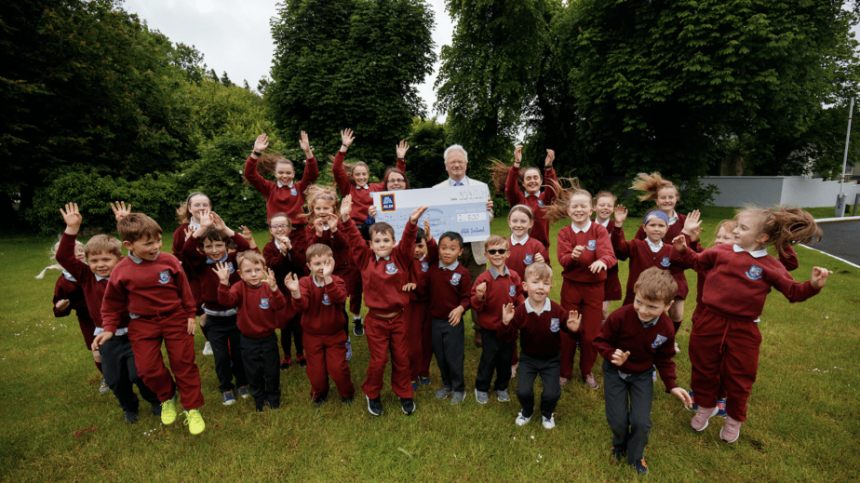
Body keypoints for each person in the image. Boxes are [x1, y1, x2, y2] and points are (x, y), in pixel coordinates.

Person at [673, 207, 831, 443]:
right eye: (737, 226)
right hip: (709, 322)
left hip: (743, 329)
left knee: (740, 375)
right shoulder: (720, 251)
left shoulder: (771, 265)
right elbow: (697, 263)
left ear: (763, 238)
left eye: (742, 228)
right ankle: (706, 406)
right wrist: (684, 250)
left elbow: (793, 292)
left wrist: (813, 286)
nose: (735, 230)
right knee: (703, 367)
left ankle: (734, 419)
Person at [94, 211, 205, 435]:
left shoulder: (169, 260)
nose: (155, 247)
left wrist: (190, 314)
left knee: (184, 364)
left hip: (175, 319)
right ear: (129, 245)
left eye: (158, 241)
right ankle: (167, 397)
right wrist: (108, 329)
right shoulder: (121, 270)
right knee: (146, 370)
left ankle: (192, 409)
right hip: (142, 324)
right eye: (148, 244)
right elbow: (112, 303)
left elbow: (185, 289)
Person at [57, 203, 161, 424]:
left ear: (119, 258)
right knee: (115, 379)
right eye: (94, 261)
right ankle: (129, 407)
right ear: (87, 262)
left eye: (106, 260)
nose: (100, 265)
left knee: (139, 374)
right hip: (107, 336)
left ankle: (155, 400)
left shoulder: (127, 269)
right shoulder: (85, 276)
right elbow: (64, 257)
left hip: (135, 332)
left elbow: (138, 249)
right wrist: (72, 229)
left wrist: (125, 222)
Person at [595, 268, 693, 475]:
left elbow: (664, 358)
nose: (643, 310)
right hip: (615, 372)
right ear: (635, 294)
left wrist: (672, 385)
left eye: (652, 306)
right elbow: (601, 341)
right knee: (618, 420)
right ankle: (619, 444)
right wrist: (613, 354)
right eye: (639, 302)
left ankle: (636, 455)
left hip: (642, 375)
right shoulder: (620, 316)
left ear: (668, 306)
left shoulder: (666, 328)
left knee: (640, 421)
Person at [340, 194, 427, 417]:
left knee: (401, 358)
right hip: (376, 321)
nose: (382, 245)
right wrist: (346, 218)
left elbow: (409, 241)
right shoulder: (364, 259)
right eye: (377, 241)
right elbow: (354, 239)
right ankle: (373, 393)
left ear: (393, 242)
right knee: (379, 361)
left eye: (386, 240)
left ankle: (403, 392)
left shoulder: (400, 258)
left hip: (398, 318)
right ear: (370, 244)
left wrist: (412, 223)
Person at [333, 129, 410, 335]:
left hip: (375, 235)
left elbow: (395, 181)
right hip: (354, 235)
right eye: (357, 175)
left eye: (363, 174)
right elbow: (336, 169)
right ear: (352, 177)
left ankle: (393, 309)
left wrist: (400, 160)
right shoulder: (347, 189)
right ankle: (357, 317)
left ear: (368, 175)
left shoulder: (376, 188)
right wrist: (344, 148)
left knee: (383, 272)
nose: (360, 177)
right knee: (357, 278)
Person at [544, 179, 616, 389]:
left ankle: (587, 371)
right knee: (568, 330)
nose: (578, 210)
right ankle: (564, 371)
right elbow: (562, 260)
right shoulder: (565, 233)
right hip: (572, 287)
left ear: (591, 210)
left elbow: (609, 256)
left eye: (583, 206)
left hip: (594, 289)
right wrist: (573, 256)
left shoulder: (599, 231)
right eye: (574, 206)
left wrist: (602, 261)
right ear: (568, 210)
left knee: (591, 335)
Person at [181, 210, 253, 405]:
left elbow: (245, 246)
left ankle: (242, 383)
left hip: (236, 317)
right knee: (221, 358)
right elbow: (186, 250)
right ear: (202, 248)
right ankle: (226, 388)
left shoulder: (233, 260)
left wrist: (225, 229)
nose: (214, 250)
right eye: (209, 246)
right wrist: (202, 228)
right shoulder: (200, 264)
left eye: (219, 245)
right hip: (214, 321)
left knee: (239, 354)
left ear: (226, 245)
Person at [498, 262, 581, 429]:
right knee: (523, 392)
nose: (540, 287)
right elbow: (505, 338)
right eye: (535, 282)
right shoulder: (520, 312)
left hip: (551, 359)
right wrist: (506, 323)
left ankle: (547, 413)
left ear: (551, 286)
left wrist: (574, 330)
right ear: (525, 285)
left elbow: (573, 333)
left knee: (552, 393)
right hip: (528, 358)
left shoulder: (557, 310)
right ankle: (527, 411)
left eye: (545, 283)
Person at [433, 144, 494, 347]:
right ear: (446, 166)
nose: (457, 165)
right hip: (450, 251)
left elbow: (490, 217)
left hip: (475, 248)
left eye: (460, 161)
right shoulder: (436, 191)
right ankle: (449, 328)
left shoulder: (480, 188)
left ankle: (479, 330)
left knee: (479, 289)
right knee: (449, 290)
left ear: (466, 164)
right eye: (453, 162)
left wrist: (487, 213)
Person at [631, 173, 700, 347]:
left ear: (676, 199)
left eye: (671, 197)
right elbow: (638, 246)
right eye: (663, 197)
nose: (667, 200)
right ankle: (645, 337)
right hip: (653, 271)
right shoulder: (650, 221)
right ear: (657, 200)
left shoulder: (684, 221)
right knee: (650, 308)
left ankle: (669, 339)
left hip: (675, 272)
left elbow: (691, 253)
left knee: (676, 312)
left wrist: (694, 239)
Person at [216, 252, 290, 413]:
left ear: (264, 270)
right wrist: (223, 282)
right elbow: (226, 301)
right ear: (240, 274)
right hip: (248, 340)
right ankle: (259, 400)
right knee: (253, 372)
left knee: (272, 371)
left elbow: (280, 304)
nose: (254, 274)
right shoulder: (239, 288)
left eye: (257, 269)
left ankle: (273, 398)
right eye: (248, 271)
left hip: (268, 338)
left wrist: (274, 288)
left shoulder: (267, 287)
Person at [286, 244, 355, 406]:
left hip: (335, 334)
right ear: (309, 266)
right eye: (317, 264)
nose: (322, 267)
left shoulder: (337, 280)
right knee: (316, 372)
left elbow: (339, 298)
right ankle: (319, 392)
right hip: (312, 336)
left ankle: (346, 392)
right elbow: (301, 306)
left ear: (333, 263)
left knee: (338, 370)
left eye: (326, 263)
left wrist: (328, 279)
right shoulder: (304, 282)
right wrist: (295, 293)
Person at [42, 238, 106, 389]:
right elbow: (57, 310)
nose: (78, 253)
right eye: (73, 251)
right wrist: (61, 307)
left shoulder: (95, 269)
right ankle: (108, 377)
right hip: (87, 319)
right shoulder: (63, 283)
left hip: (107, 314)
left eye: (80, 249)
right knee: (97, 352)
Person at [470, 235, 525, 404]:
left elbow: (520, 295)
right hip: (489, 329)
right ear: (486, 255)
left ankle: (501, 387)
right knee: (489, 358)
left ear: (508, 253)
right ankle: (481, 387)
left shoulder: (514, 276)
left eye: (501, 251)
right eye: (492, 251)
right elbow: (475, 305)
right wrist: (479, 296)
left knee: (505, 359)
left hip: (508, 327)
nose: (497, 254)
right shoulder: (483, 279)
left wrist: (522, 307)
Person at [244, 132, 319, 254]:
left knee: (300, 266)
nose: (285, 176)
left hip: (297, 234)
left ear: (293, 174)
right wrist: (256, 153)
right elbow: (250, 174)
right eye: (281, 173)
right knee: (278, 265)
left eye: (288, 173)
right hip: (277, 233)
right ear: (275, 174)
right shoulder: (269, 188)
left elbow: (312, 174)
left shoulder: (300, 188)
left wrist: (308, 152)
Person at [611, 208, 701, 308]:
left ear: (667, 229)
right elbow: (618, 248)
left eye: (661, 226)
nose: (656, 229)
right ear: (644, 228)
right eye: (652, 225)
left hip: (658, 298)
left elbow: (687, 262)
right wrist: (618, 225)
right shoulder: (636, 245)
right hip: (634, 295)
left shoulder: (671, 250)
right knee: (628, 320)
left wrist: (688, 236)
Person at [425, 231, 472, 405]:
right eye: (443, 248)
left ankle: (459, 388)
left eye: (452, 248)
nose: (447, 252)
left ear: (460, 252)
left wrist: (461, 308)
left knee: (454, 356)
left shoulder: (463, 273)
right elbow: (425, 291)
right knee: (441, 355)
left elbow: (467, 298)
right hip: (436, 322)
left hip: (453, 323)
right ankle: (447, 385)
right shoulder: (432, 270)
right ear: (438, 250)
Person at [261, 213, 306, 369]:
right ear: (271, 230)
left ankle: (300, 352)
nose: (280, 229)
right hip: (280, 290)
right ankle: (287, 355)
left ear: (289, 228)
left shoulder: (298, 244)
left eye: (283, 225)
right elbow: (273, 265)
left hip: (297, 289)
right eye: (276, 226)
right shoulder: (268, 248)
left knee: (299, 325)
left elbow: (300, 263)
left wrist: (291, 250)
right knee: (285, 325)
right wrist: (282, 253)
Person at [489, 145, 557, 248]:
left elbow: (553, 189)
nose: (532, 181)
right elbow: (510, 188)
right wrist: (516, 164)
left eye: (535, 178)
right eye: (528, 178)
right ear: (523, 183)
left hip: (541, 251)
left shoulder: (545, 199)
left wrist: (548, 168)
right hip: (520, 247)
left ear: (541, 181)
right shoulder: (519, 199)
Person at [172, 192, 212, 355]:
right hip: (193, 276)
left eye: (205, 205)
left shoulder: (216, 225)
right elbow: (177, 254)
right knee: (202, 310)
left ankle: (227, 337)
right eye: (197, 205)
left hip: (213, 273)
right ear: (189, 208)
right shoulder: (181, 231)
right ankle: (210, 341)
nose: (201, 208)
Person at [404, 223, 435, 389]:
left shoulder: (430, 260)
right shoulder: (405, 261)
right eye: (413, 246)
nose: (417, 250)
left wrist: (430, 240)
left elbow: (435, 252)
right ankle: (412, 374)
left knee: (427, 341)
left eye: (420, 246)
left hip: (429, 306)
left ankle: (424, 371)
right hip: (411, 307)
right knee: (412, 343)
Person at [593, 191, 622, 322]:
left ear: (613, 209)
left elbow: (621, 251)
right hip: (590, 272)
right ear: (594, 207)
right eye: (602, 204)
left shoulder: (614, 227)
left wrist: (618, 227)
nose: (605, 208)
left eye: (609, 205)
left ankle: (604, 335)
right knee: (590, 307)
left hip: (608, 274)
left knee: (603, 310)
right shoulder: (587, 224)